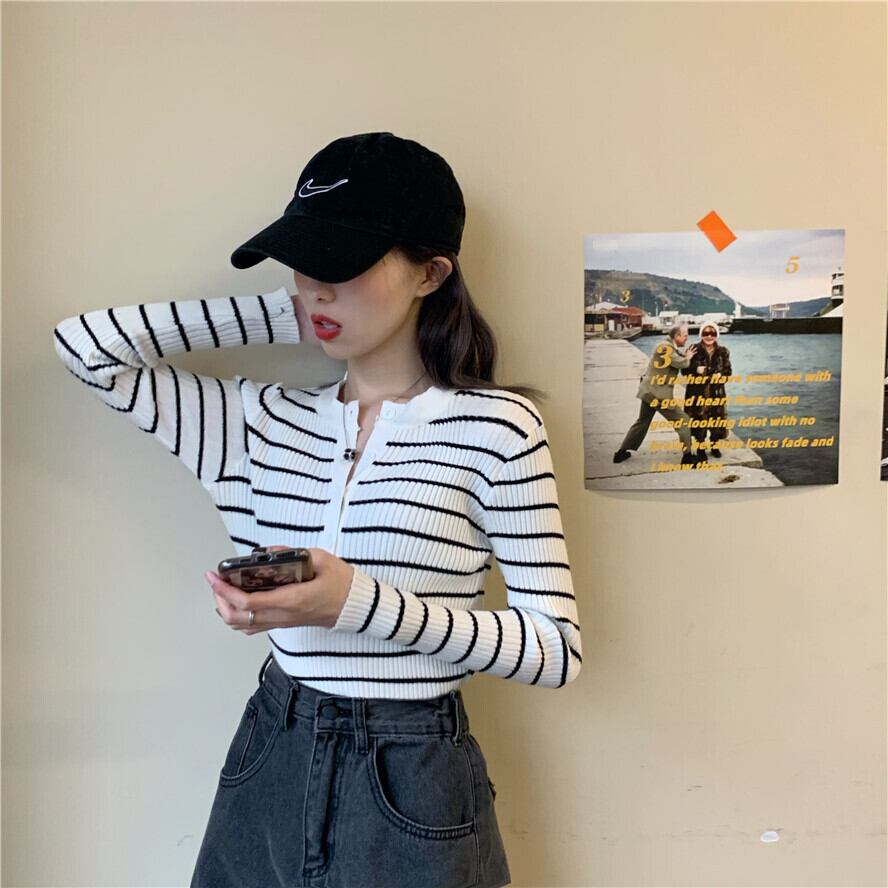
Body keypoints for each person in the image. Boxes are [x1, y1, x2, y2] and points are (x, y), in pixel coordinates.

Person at [51, 131, 581, 888]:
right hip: (275, 747)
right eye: (305, 262)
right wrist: (293, 314)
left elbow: (555, 650)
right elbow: (86, 347)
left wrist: (355, 603)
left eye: (343, 264)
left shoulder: (498, 427)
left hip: (413, 772)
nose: (316, 286)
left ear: (430, 273)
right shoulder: (254, 421)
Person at [613, 324, 702, 466]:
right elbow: (681, 364)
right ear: (677, 336)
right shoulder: (665, 347)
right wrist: (688, 357)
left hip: (649, 392)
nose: (687, 338)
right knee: (684, 421)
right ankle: (688, 457)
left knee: (642, 421)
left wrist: (685, 356)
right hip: (658, 395)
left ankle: (621, 453)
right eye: (685, 335)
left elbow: (676, 358)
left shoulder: (667, 346)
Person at [683, 324, 733, 460]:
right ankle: (701, 449)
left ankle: (714, 446)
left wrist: (721, 376)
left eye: (712, 333)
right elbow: (684, 371)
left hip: (716, 393)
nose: (709, 336)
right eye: (705, 333)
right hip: (697, 393)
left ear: (716, 335)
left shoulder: (723, 351)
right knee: (699, 420)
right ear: (701, 335)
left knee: (716, 420)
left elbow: (728, 372)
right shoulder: (693, 349)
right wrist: (693, 368)